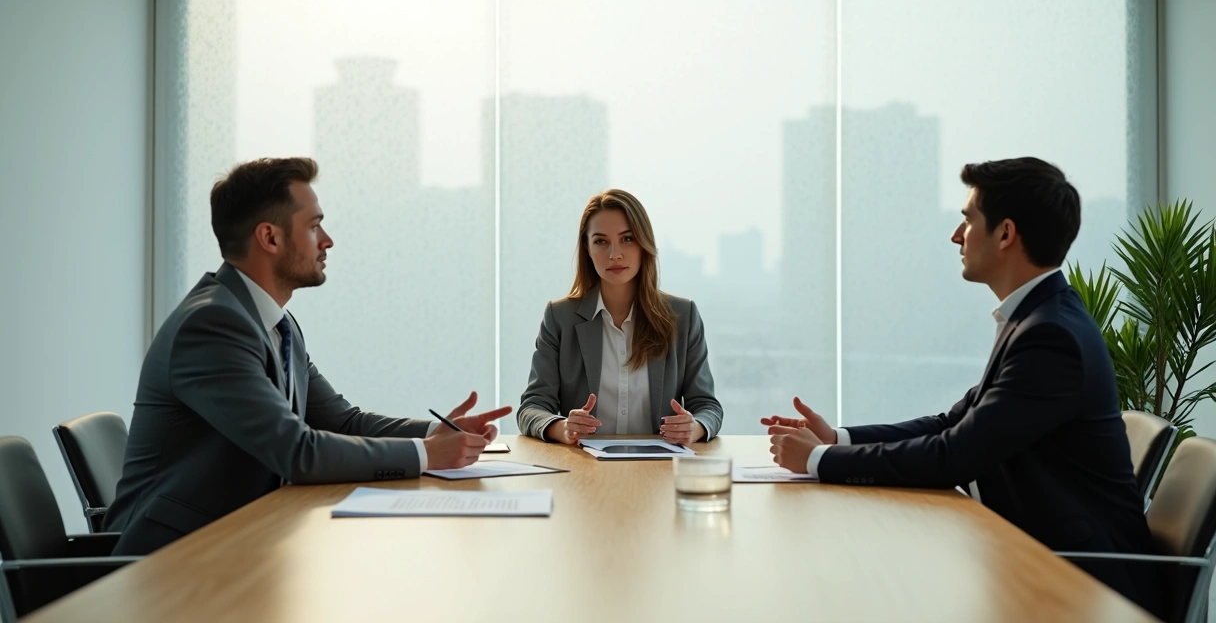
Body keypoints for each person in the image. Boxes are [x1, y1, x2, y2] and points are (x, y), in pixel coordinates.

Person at [765, 157, 1158, 613]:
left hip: (1077, 583)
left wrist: (820, 459)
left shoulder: (1051, 336)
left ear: (1006, 234)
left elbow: (956, 454)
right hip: (1030, 556)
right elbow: (952, 422)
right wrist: (838, 439)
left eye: (968, 220)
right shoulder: (1037, 320)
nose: (956, 235)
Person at [105, 157, 510, 555]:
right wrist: (425, 456)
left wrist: (433, 433)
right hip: (171, 560)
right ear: (270, 237)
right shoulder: (211, 325)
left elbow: (341, 420)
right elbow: (296, 451)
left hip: (242, 540)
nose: (328, 240)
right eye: (314, 226)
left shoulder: (275, 324)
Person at [517, 189, 723, 445]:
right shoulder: (560, 317)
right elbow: (531, 408)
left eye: (627, 239)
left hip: (659, 470)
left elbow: (707, 406)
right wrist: (564, 427)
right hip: (585, 471)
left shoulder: (683, 316)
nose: (615, 254)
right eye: (601, 241)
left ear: (644, 243)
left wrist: (695, 428)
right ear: (587, 248)